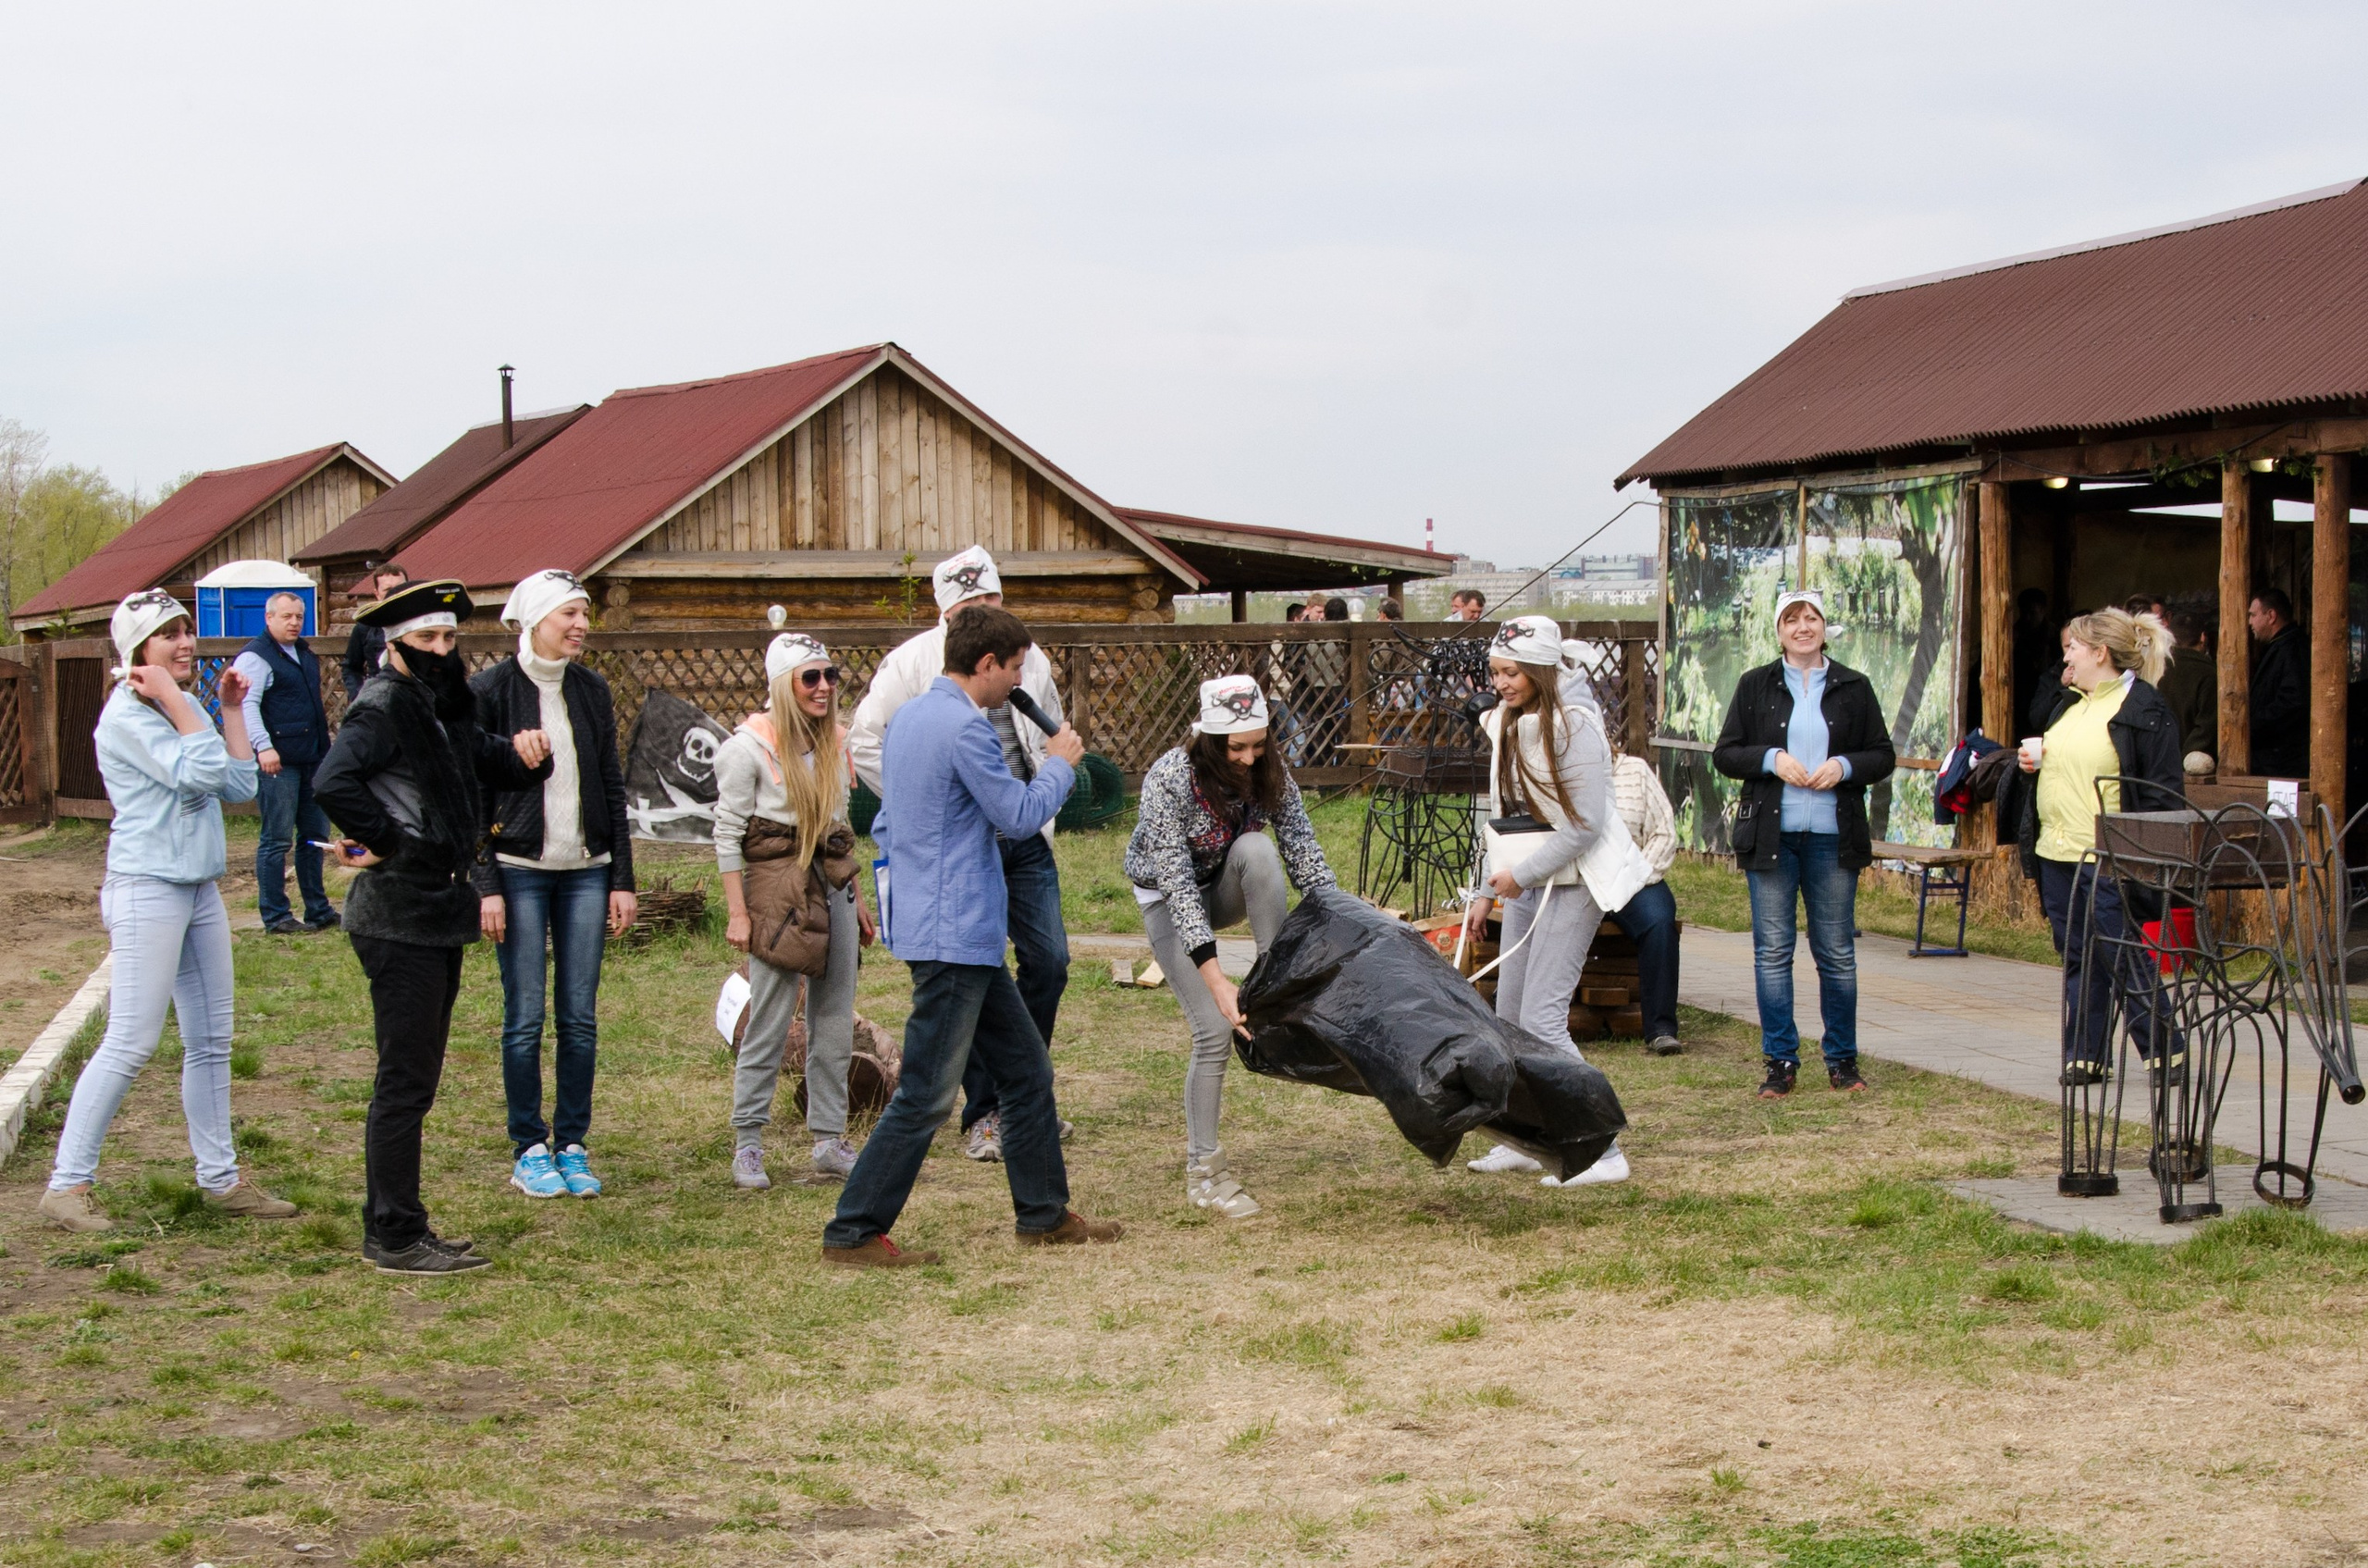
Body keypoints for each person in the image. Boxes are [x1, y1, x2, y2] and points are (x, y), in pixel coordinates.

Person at [823, 605, 1122, 1266]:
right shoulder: (965, 728)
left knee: (1025, 1070)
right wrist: (1060, 764)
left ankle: (1043, 1213)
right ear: (986, 664)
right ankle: (852, 1229)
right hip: (957, 934)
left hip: (944, 928)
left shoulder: (909, 721)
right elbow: (1017, 816)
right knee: (927, 1093)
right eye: (1015, 669)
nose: (1018, 683)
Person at [314, 579, 553, 1276]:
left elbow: (483, 759)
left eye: (450, 638)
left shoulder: (437, 703)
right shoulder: (385, 705)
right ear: (395, 644)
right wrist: (387, 839)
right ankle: (395, 1234)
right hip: (397, 915)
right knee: (405, 1082)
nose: (443, 650)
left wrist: (528, 753)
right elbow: (334, 781)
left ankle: (393, 1224)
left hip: (432, 915)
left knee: (413, 1079)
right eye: (428, 639)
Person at [40, 592, 295, 1233]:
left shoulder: (176, 711)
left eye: (186, 630)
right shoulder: (126, 718)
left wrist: (232, 711)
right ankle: (68, 1182)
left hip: (198, 889)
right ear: (137, 656)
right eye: (167, 636)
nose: (185, 643)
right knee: (131, 1039)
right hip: (147, 887)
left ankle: (221, 1179)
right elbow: (198, 771)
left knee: (211, 1040)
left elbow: (238, 784)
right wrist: (189, 707)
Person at [848, 545, 1070, 1163]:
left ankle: (1023, 1096)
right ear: (945, 613)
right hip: (959, 845)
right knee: (969, 975)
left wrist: (1043, 791)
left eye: (990, 601)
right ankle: (985, 1111)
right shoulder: (910, 667)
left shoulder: (1032, 660)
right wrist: (920, 805)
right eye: (968, 605)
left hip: (1021, 835)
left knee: (1048, 962)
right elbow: (866, 740)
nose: (981, 612)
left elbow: (1039, 738)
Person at [1126, 676, 1338, 1217]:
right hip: (1169, 898)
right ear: (1208, 739)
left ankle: (1273, 989)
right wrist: (1217, 981)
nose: (1248, 758)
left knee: (1258, 848)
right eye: (1235, 748)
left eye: (1258, 744)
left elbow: (1305, 853)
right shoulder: (1169, 778)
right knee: (1214, 1029)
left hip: (1225, 879)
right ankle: (1204, 1173)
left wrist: (1344, 922)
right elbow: (1176, 886)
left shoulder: (1269, 771)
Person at [1463, 614, 1655, 1188]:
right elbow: (1498, 815)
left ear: (1542, 669)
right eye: (1496, 672)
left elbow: (1587, 825)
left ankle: (1604, 1150)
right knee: (1509, 1017)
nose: (1500, 682)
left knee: (1543, 1018)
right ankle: (1528, 1139)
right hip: (1528, 879)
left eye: (1512, 672)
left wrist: (1518, 876)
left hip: (1576, 883)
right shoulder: (1506, 722)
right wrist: (1483, 891)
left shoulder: (1576, 725)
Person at [469, 570, 638, 1202]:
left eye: (586, 614)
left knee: (580, 1015)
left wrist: (621, 876)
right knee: (524, 1014)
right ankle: (528, 1146)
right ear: (536, 617)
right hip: (517, 871)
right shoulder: (489, 691)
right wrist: (484, 882)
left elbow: (612, 786)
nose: (581, 625)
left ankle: (572, 1141)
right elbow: (474, 793)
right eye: (570, 612)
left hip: (587, 871)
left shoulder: (591, 690)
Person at [1711, 589, 1896, 1098]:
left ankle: (1842, 1060)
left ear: (1824, 627)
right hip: (1772, 836)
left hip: (1833, 837)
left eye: (1811, 617)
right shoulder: (1756, 685)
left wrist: (1845, 766)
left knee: (1835, 951)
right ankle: (1780, 1062)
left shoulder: (1854, 686)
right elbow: (1725, 755)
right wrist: (1772, 758)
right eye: (1791, 619)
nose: (1802, 627)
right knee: (1773, 950)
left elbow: (1883, 755)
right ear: (1778, 631)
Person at [717, 632, 875, 1189]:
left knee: (834, 1016)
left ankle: (829, 1138)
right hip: (778, 889)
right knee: (771, 1014)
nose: (824, 687)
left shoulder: (834, 741)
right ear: (783, 684)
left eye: (831, 675)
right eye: (811, 677)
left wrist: (853, 901)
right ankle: (749, 1142)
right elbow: (728, 836)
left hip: (829, 884)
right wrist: (739, 913)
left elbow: (838, 829)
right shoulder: (748, 749)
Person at [2005, 608, 2185, 1084]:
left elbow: (2163, 791)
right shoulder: (2070, 705)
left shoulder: (2144, 708)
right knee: (2080, 954)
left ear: (2100, 653)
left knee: (2120, 949)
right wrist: (2034, 763)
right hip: (2057, 852)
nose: (2066, 657)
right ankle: (2085, 1055)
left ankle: (2167, 1049)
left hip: (2109, 853)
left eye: (2073, 649)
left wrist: (2143, 857)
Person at [233, 590, 339, 934]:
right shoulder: (256, 657)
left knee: (314, 836)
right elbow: (247, 705)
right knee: (277, 839)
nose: (294, 623)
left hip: (312, 759)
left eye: (298, 616)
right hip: (278, 763)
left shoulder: (304, 653)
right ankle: (276, 915)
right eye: (286, 616)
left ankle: (318, 910)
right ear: (269, 618)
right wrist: (264, 747)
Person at [2248, 587, 2308, 778]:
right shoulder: (2280, 646)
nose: (2250, 622)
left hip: (2282, 761)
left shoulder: (2291, 649)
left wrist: (2253, 725)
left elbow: (2293, 702)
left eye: (2253, 615)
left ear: (2271, 615)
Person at [2154, 600, 2217, 762]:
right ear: (2203, 637)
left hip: (2157, 763)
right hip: (2192, 766)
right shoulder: (2210, 674)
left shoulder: (2155, 670)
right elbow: (2206, 728)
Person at [341, 562, 410, 701]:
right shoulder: (365, 627)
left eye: (400, 588)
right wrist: (360, 696)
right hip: (379, 701)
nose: (395, 594)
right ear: (377, 594)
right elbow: (351, 668)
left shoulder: (423, 625)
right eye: (388, 590)